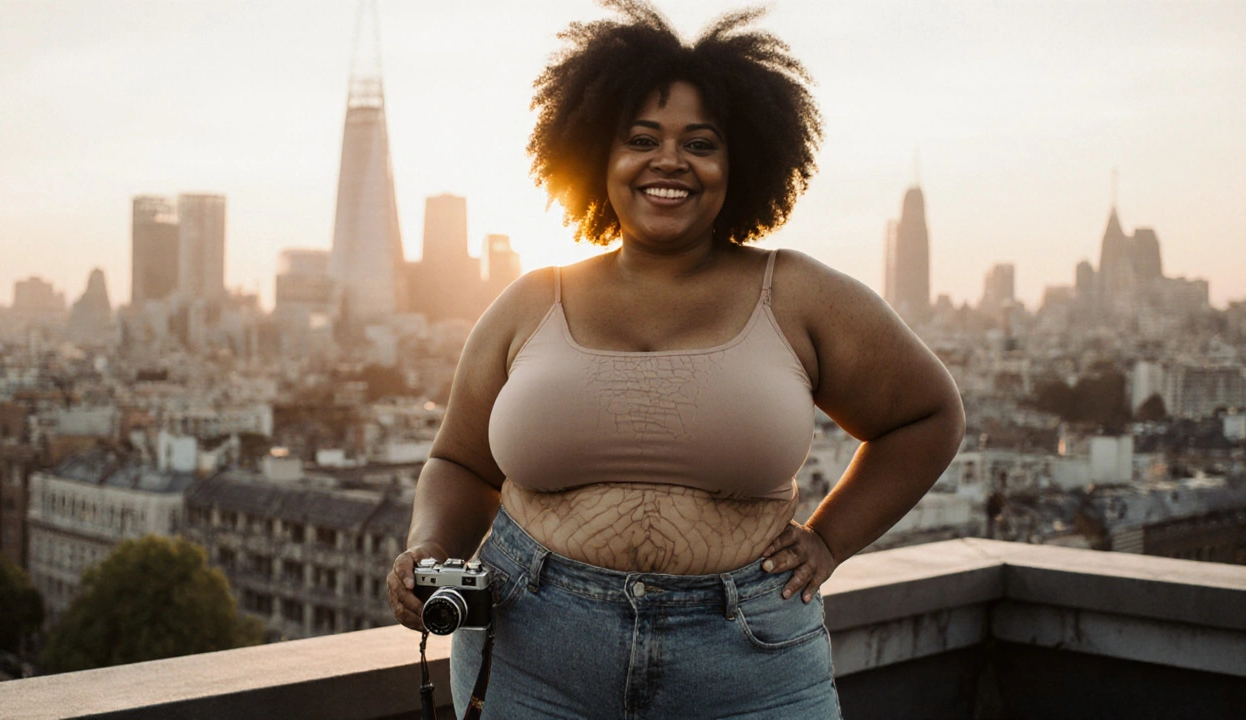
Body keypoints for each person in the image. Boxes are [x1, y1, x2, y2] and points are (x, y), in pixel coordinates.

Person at [388, 2, 965, 717]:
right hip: (532, 654)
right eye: (641, 138)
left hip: (748, 659)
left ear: (742, 161)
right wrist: (427, 549)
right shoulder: (530, 302)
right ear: (597, 155)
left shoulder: (801, 295)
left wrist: (829, 540)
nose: (669, 160)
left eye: (701, 142)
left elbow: (928, 416)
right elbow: (461, 463)